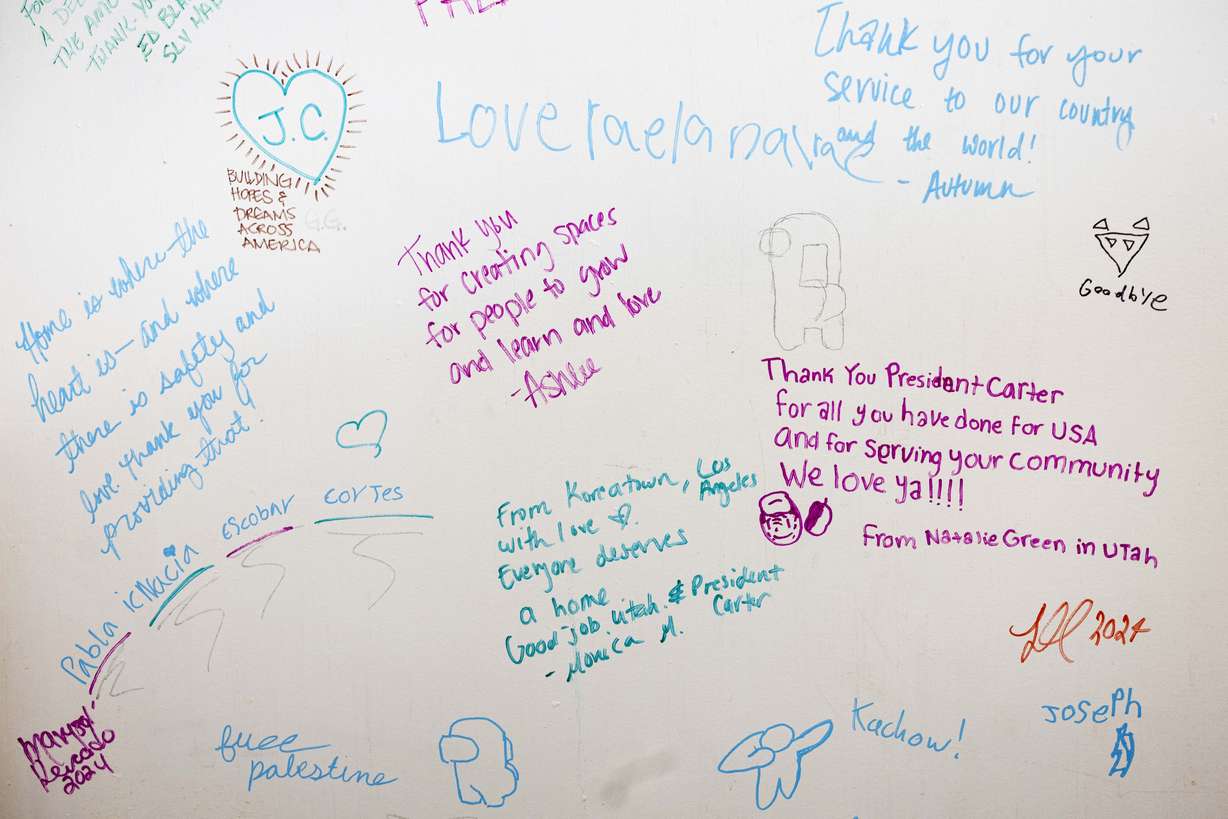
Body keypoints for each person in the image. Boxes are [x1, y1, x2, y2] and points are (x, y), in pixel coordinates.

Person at [717, 719, 833, 810]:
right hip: (774, 778)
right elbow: (811, 737)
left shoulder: (791, 748)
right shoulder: (764, 750)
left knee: (781, 795)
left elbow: (811, 737)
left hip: (784, 777)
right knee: (769, 799)